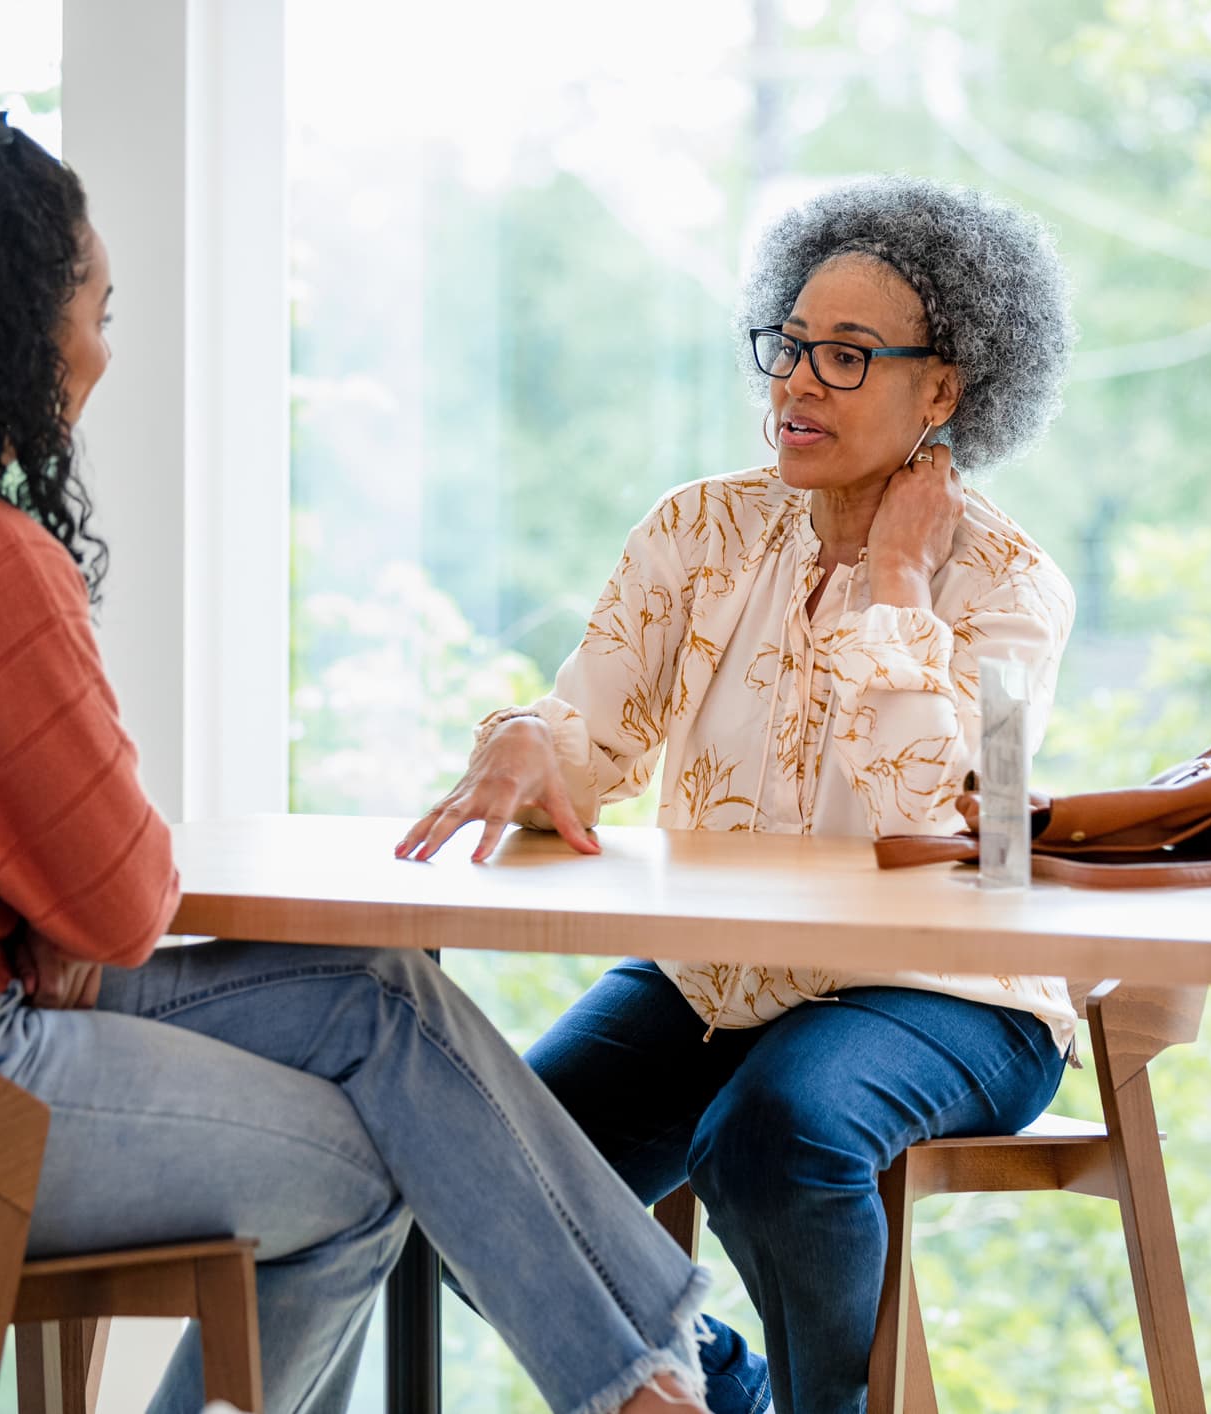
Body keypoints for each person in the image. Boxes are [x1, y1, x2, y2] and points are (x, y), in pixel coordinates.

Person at [0, 107, 708, 1414]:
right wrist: (52, 904)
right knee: (378, 1156)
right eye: (98, 310)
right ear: (8, 329)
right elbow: (115, 902)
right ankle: (652, 1376)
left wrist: (36, 906)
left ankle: (645, 1372)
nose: (104, 351)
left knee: (380, 996)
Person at [400, 175, 1080, 1414]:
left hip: (948, 989)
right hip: (717, 976)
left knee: (774, 1138)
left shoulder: (1015, 587)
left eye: (848, 356)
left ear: (947, 389)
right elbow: (591, 737)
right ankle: (720, 1391)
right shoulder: (697, 531)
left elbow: (944, 829)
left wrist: (892, 581)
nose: (797, 382)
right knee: (474, 1178)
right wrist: (521, 739)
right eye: (790, 344)